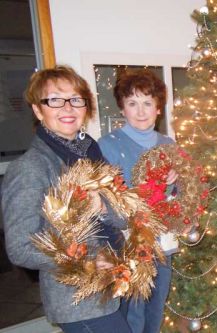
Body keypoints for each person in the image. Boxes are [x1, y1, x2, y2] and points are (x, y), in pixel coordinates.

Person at [1, 65, 131, 333]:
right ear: (38, 110)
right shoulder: (31, 167)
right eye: (55, 100)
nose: (68, 108)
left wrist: (103, 207)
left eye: (75, 99)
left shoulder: (90, 151)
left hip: (115, 281)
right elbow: (20, 248)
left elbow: (121, 215)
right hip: (78, 301)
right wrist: (88, 262)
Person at [98, 69, 178, 333]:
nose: (141, 111)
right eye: (133, 103)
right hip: (127, 247)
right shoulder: (107, 145)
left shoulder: (168, 144)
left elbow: (178, 196)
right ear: (122, 108)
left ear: (158, 109)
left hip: (162, 244)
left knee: (155, 311)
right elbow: (107, 200)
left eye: (147, 103)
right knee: (130, 315)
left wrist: (176, 182)